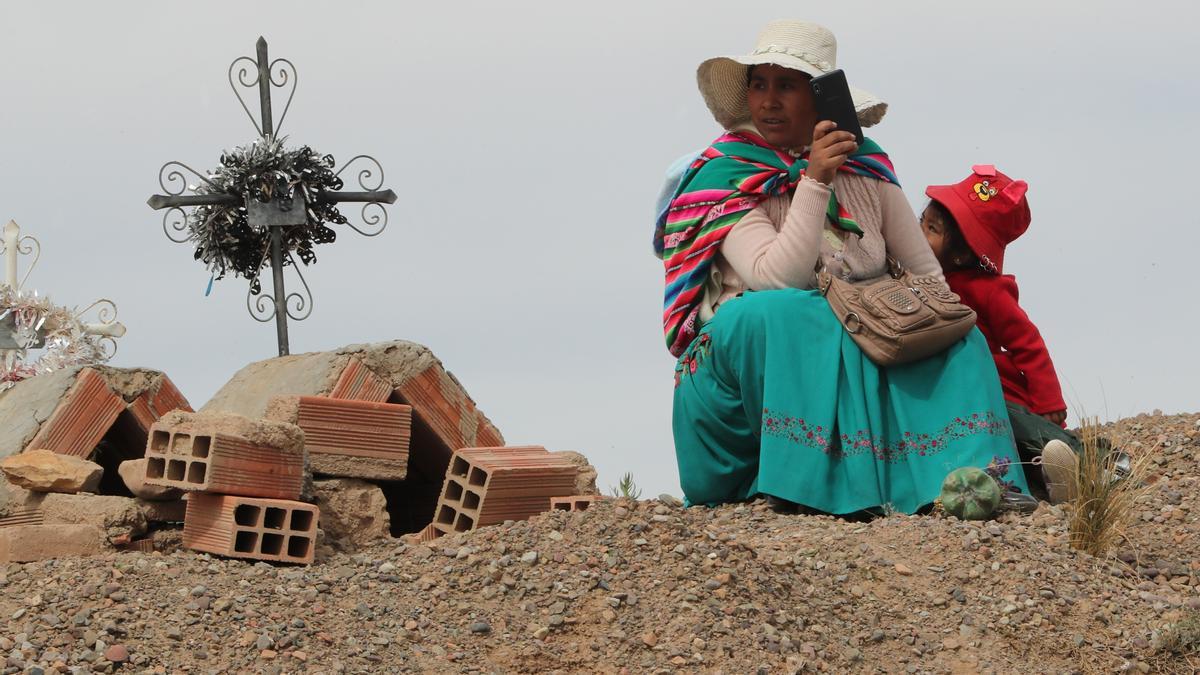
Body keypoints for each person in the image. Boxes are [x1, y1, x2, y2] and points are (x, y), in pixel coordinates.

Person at [654, 20, 1029, 515]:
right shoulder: (725, 172)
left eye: (786, 85)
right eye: (759, 84)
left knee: (959, 332)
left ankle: (971, 481)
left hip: (858, 341)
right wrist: (815, 182)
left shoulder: (869, 168)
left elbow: (927, 277)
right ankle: (809, 483)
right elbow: (774, 280)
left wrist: (902, 320)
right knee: (781, 314)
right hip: (746, 378)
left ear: (821, 98)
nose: (768, 101)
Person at [921, 166, 1080, 502]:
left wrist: (1048, 400)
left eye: (932, 229)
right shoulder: (914, 278)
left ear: (963, 253)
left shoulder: (987, 291)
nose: (919, 233)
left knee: (1021, 429)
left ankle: (1092, 464)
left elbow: (1027, 342)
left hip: (996, 387)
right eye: (922, 221)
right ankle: (1046, 477)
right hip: (953, 389)